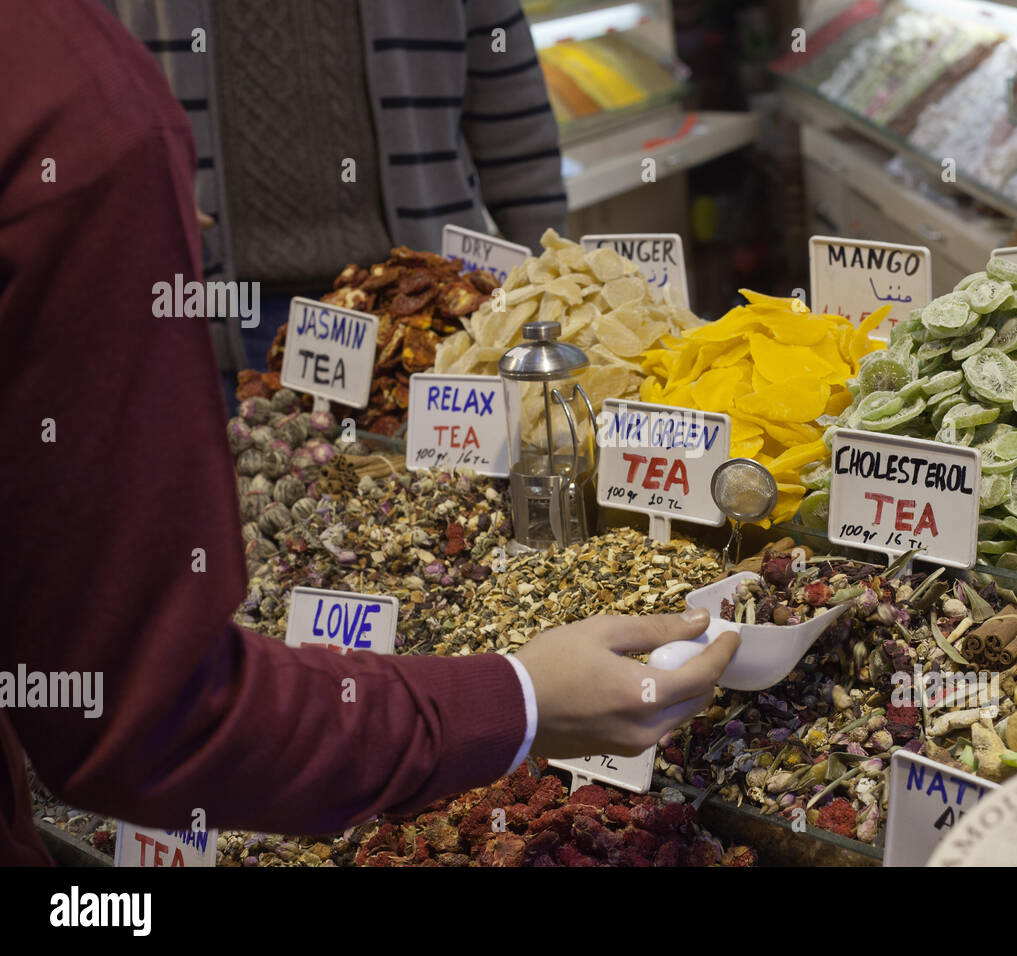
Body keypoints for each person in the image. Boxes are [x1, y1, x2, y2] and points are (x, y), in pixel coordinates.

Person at [0, 0, 737, 866]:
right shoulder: (78, 112)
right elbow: (144, 713)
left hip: (425, 284)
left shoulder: (71, 104)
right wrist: (520, 699)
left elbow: (509, 112)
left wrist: (548, 280)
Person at [103, 0, 569, 399]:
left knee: (445, 501)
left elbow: (506, 87)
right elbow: (67, 66)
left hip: (425, 305)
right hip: (206, 307)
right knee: (223, 501)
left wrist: (546, 283)